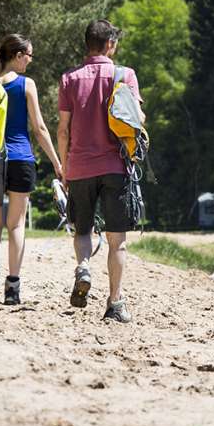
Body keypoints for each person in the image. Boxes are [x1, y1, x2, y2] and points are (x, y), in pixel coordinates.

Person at [57, 19, 142, 323]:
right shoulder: (125, 75)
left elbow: (63, 130)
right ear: (109, 44)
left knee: (82, 230)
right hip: (116, 167)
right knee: (117, 239)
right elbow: (137, 119)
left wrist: (65, 169)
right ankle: (115, 302)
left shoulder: (69, 78)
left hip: (80, 166)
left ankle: (83, 267)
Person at [0, 35, 63, 305]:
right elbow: (39, 129)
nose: (30, 60)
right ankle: (12, 287)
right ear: (16, 55)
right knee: (15, 224)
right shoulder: (26, 85)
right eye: (29, 55)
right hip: (21, 158)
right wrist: (57, 163)